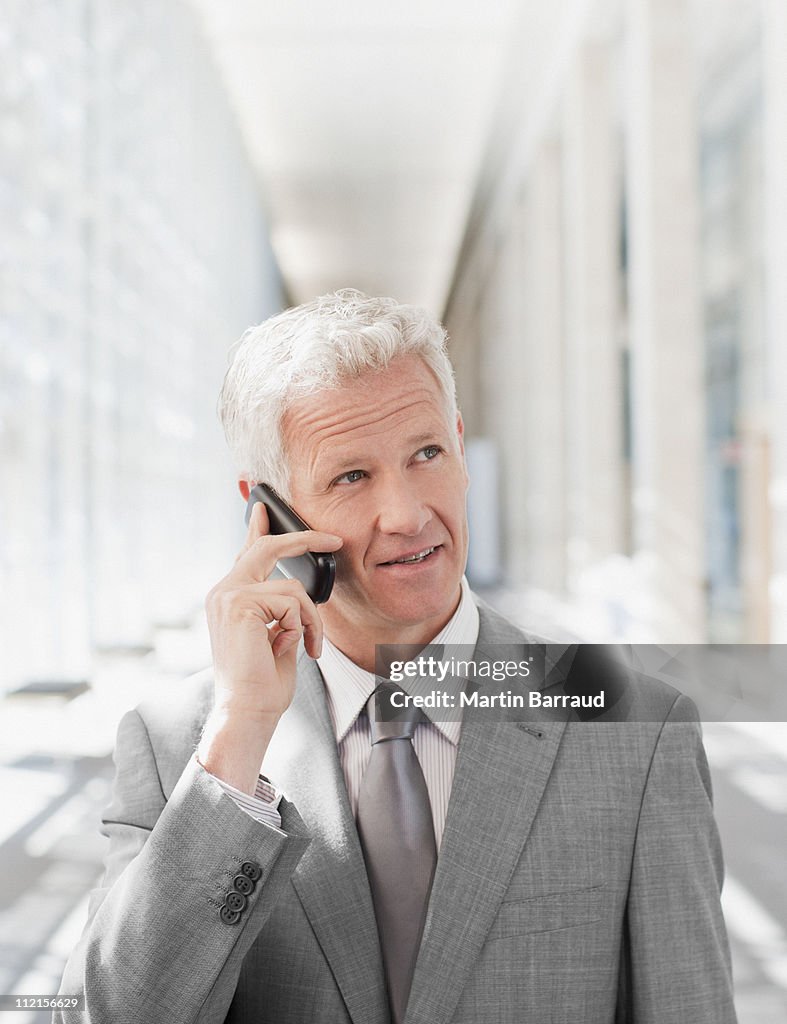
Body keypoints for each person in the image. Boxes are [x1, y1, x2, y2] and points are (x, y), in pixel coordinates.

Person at [55, 289, 737, 1023]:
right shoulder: (179, 748)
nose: (408, 514)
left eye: (426, 454)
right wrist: (239, 735)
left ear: (460, 446)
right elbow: (108, 1013)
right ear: (266, 511)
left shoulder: (637, 727)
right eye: (351, 476)